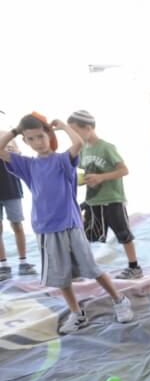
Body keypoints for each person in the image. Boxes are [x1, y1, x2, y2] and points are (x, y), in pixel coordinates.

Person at [0, 114, 134, 333]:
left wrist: (62, 126)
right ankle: (76, 313)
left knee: (92, 268)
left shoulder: (62, 160)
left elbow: (78, 143)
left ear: (49, 135)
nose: (37, 143)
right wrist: (15, 132)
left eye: (41, 137)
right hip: (45, 229)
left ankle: (119, 300)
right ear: (25, 142)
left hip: (71, 224)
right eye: (31, 139)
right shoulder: (27, 165)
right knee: (61, 276)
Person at [67, 110, 141, 279]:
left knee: (123, 234)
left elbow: (124, 170)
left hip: (113, 200)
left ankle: (134, 267)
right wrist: (83, 179)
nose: (73, 136)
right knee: (86, 234)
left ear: (88, 128)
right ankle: (78, 267)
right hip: (94, 201)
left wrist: (101, 177)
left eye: (75, 131)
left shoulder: (106, 147)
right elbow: (87, 171)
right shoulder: (83, 150)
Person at [0, 136, 34, 281]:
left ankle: (23, 262)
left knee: (18, 225)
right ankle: (4, 265)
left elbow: (19, 154)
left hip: (12, 188)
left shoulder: (7, 134)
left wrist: (16, 151)